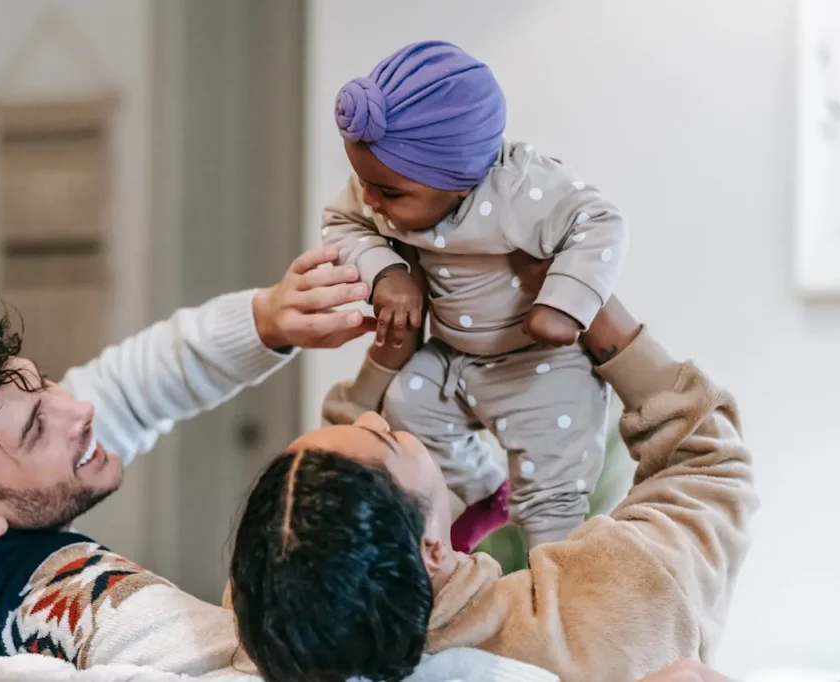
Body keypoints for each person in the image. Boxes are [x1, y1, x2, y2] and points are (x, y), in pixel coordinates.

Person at [0, 247, 375, 679]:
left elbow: (131, 387)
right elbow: (261, 667)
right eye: (38, 428)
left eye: (45, 385)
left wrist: (266, 320)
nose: (80, 407)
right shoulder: (59, 594)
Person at [229, 253, 758, 682]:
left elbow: (333, 520)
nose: (373, 414)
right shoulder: (597, 614)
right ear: (431, 550)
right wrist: (597, 313)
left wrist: (385, 364)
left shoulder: (281, 628)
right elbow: (708, 466)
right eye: (384, 437)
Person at [322, 40, 630, 552]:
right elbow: (341, 221)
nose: (370, 199)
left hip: (540, 366)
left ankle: (558, 582)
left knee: (551, 503)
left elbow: (601, 221)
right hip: (455, 358)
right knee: (408, 405)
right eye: (363, 182)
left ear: (461, 182)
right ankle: (488, 495)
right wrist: (387, 271)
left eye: (389, 192)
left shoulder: (520, 190)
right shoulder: (378, 189)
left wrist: (565, 302)